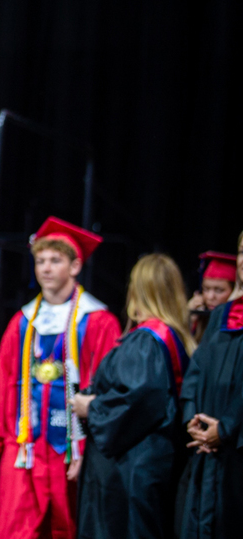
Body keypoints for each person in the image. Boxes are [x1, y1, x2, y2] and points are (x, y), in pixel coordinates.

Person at [0, 217, 121, 539]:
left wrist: (90, 449)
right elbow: (1, 385)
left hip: (72, 449)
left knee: (69, 528)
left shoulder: (98, 321)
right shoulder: (22, 321)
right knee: (13, 530)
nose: (46, 268)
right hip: (24, 448)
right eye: (40, 261)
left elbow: (107, 389)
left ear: (75, 266)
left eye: (55, 260)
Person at [74, 253, 196, 539]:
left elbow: (136, 400)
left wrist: (91, 407)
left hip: (130, 471)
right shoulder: (174, 337)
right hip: (154, 463)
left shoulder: (146, 340)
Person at [178, 231, 243, 539]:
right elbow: (196, 371)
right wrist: (194, 420)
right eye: (241, 251)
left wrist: (225, 429)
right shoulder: (223, 315)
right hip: (207, 451)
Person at [187, 251, 237, 340]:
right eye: (206, 289)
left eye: (219, 290)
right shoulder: (197, 319)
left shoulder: (237, 325)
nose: (210, 297)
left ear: (234, 291)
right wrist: (189, 319)